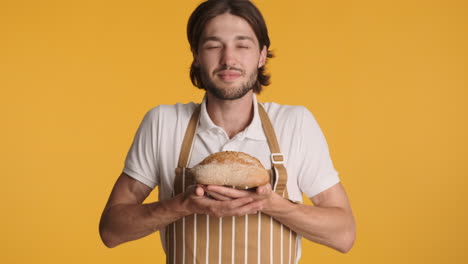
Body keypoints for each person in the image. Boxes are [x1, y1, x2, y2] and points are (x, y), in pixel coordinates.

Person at [99, 0, 355, 263]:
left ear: (261, 55)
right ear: (197, 55)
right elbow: (111, 230)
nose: (228, 59)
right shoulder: (164, 123)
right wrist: (183, 204)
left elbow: (344, 234)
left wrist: (270, 204)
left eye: (242, 45)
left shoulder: (295, 124)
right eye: (213, 46)